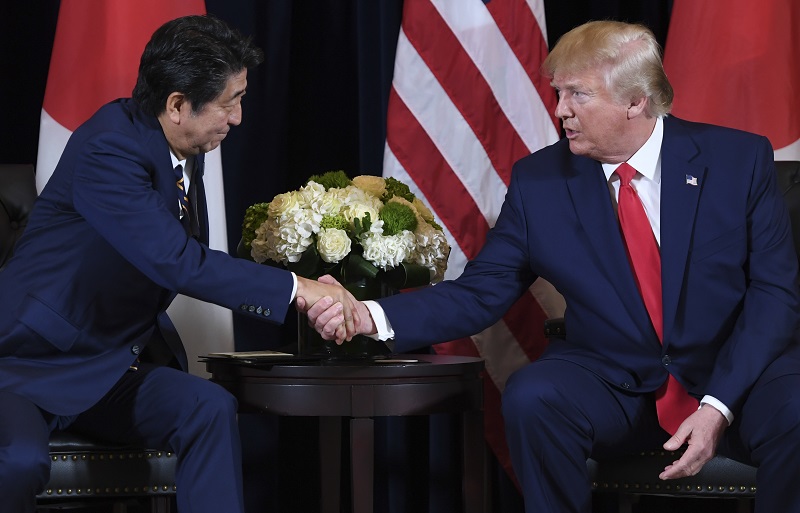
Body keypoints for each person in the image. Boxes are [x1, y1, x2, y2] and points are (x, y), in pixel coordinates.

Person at [305, 20, 800, 512]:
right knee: (533, 395)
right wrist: (372, 316)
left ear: (636, 101)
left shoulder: (737, 160)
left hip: (733, 376)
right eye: (558, 93)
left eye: (577, 95)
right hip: (611, 382)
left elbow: (775, 295)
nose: (560, 111)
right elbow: (480, 291)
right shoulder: (539, 181)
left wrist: (718, 405)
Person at [0, 15, 357, 513]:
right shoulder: (111, 148)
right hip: (26, 364)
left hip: (104, 369)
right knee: (18, 462)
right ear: (177, 105)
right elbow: (177, 261)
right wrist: (298, 290)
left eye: (241, 98)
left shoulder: (183, 145)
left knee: (207, 408)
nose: (238, 118)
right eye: (230, 102)